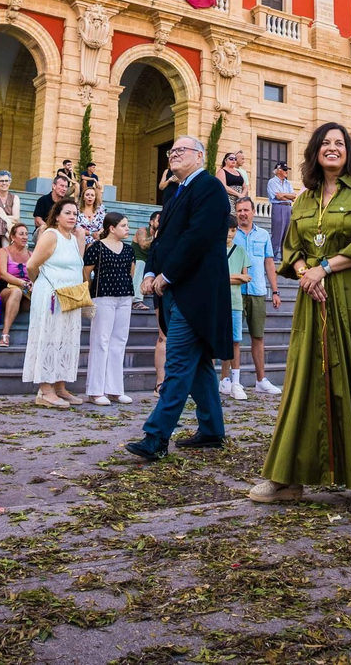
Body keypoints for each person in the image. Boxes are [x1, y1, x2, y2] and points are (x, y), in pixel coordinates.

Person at [250, 121, 351, 501]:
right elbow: (292, 248)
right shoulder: (303, 199)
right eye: (325, 143)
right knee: (305, 381)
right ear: (315, 151)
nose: (332, 148)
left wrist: (325, 268)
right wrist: (307, 273)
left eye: (339, 143)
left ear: (348, 152)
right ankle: (288, 477)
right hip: (312, 299)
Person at [125, 136, 231, 460]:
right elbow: (161, 241)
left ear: (199, 156)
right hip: (172, 291)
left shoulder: (210, 187)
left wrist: (167, 274)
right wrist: (148, 272)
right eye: (171, 151)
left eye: (180, 150)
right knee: (198, 367)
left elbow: (197, 237)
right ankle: (211, 430)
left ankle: (156, 437)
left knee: (178, 363)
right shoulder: (175, 192)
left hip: (196, 292)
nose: (172, 155)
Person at [25, 198, 87, 407]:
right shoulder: (51, 235)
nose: (72, 217)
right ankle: (45, 391)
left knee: (67, 339)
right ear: (57, 216)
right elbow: (32, 265)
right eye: (67, 213)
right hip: (50, 295)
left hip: (70, 296)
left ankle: (60, 387)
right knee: (48, 338)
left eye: (75, 214)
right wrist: (40, 284)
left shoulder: (74, 238)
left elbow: (77, 266)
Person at [84, 211, 136, 405]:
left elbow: (131, 272)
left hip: (124, 296)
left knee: (119, 341)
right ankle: (95, 390)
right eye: (123, 225)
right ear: (112, 228)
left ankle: (115, 389)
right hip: (103, 296)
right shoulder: (96, 247)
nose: (127, 229)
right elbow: (86, 273)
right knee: (101, 341)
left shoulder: (129, 249)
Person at [232, 196, 282, 394]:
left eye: (246, 210)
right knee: (233, 338)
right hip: (235, 291)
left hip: (257, 291)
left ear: (253, 212)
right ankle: (230, 380)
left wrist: (275, 291)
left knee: (258, 336)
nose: (242, 214)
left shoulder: (263, 235)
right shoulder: (231, 234)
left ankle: (261, 380)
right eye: (239, 210)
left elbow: (269, 263)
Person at [220, 223, 249, 399]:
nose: (229, 234)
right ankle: (216, 380)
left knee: (235, 341)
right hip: (216, 301)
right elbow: (213, 276)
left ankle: (235, 381)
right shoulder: (214, 249)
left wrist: (227, 277)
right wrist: (237, 276)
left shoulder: (241, 251)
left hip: (235, 302)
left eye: (232, 230)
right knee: (213, 340)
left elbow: (246, 277)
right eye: (226, 230)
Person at [0, 222, 31, 347]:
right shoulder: (3, 252)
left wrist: (32, 283)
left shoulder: (31, 255)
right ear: (13, 237)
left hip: (25, 290)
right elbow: (2, 274)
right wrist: (21, 283)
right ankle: (5, 334)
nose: (25, 237)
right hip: (4, 288)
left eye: (26, 234)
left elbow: (36, 275)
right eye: (21, 234)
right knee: (17, 291)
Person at [267, 162, 295, 259]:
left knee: (287, 234)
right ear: (279, 170)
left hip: (288, 208)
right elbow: (277, 197)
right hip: (279, 207)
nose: (287, 171)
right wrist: (287, 197)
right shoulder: (272, 182)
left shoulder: (288, 183)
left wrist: (283, 195)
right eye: (285, 169)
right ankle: (272, 256)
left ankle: (285, 257)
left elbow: (294, 196)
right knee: (277, 234)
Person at [32, 173, 73, 237]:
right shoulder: (43, 200)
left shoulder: (66, 204)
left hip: (61, 231)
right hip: (45, 230)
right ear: (54, 186)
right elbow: (37, 220)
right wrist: (51, 229)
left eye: (66, 187)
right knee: (42, 228)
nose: (64, 189)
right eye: (62, 186)